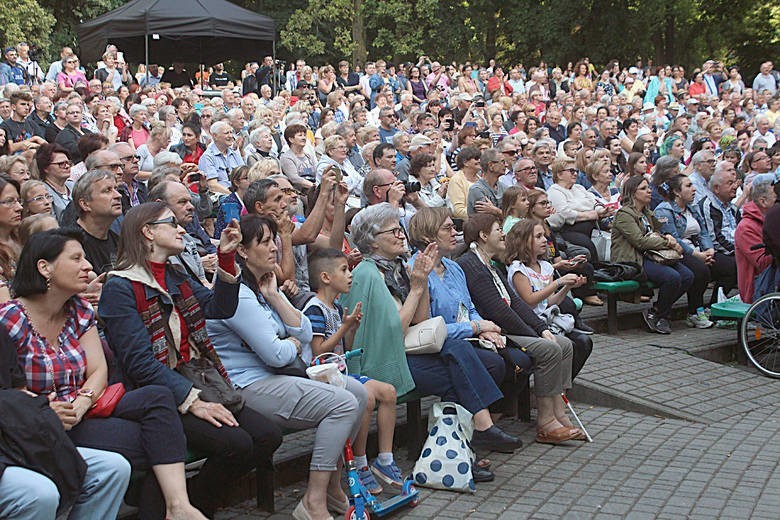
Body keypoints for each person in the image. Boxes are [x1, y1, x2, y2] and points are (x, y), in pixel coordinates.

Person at [1, 229, 208, 520]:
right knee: (156, 448)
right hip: (41, 421)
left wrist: (82, 402)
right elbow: (8, 390)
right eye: (76, 258)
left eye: (86, 257)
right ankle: (174, 509)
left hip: (82, 407)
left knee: (158, 399)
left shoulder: (78, 309)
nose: (88, 266)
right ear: (44, 267)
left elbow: (97, 370)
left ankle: (178, 507)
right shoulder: (10, 319)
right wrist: (45, 410)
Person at [99, 203, 282, 518]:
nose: (183, 228)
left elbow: (218, 308)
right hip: (157, 393)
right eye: (172, 222)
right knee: (236, 443)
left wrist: (225, 257)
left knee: (267, 436)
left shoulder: (173, 273)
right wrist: (190, 399)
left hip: (198, 377)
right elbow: (140, 365)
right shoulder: (120, 287)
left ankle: (193, 504)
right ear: (148, 232)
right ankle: (185, 507)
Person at [204, 215, 366, 520]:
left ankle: (331, 486)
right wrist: (290, 343)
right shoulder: (237, 293)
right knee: (344, 403)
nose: (274, 248)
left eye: (273, 240)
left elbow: (304, 332)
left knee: (356, 392)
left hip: (276, 378)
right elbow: (277, 354)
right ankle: (313, 501)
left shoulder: (264, 286)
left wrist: (277, 298)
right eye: (264, 242)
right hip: (248, 387)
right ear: (242, 251)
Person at [341, 203, 523, 456]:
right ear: (372, 242)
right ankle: (471, 441)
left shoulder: (397, 268)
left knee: (468, 368)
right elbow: (394, 331)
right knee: (459, 369)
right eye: (392, 231)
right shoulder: (367, 274)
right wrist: (418, 287)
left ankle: (457, 452)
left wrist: (421, 282)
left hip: (405, 352)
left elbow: (422, 319)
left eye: (400, 230)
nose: (401, 235)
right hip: (382, 360)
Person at [456, 213, 591, 427]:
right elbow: (500, 311)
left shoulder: (488, 263)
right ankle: (546, 422)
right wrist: (536, 334)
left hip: (507, 327)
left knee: (564, 344)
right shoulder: (473, 265)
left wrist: (541, 328)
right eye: (497, 229)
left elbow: (515, 303)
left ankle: (559, 411)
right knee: (550, 349)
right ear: (483, 235)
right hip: (497, 331)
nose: (503, 234)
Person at [0, 326, 131, 520]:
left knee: (111, 469)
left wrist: (37, 410)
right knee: (39, 494)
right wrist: (31, 412)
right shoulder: (13, 317)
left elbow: (18, 392)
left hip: (14, 441)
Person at [302, 248, 403, 493]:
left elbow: (343, 347)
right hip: (323, 379)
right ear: (326, 277)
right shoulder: (315, 309)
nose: (350, 276)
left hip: (340, 374)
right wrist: (343, 328)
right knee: (366, 398)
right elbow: (318, 352)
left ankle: (385, 460)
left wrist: (351, 330)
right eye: (345, 270)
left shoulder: (336, 308)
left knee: (388, 392)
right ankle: (359, 465)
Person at [611, 176, 692, 334]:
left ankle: (656, 310)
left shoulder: (647, 213)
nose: (649, 191)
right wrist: (668, 242)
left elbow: (659, 230)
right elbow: (640, 242)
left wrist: (668, 236)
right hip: (633, 260)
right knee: (672, 277)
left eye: (648, 187)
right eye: (643, 188)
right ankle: (661, 315)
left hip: (652, 255)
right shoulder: (624, 215)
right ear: (633, 193)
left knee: (687, 275)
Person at [654, 175, 715, 328]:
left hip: (697, 250)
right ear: (677, 192)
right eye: (688, 186)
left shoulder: (692, 208)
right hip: (676, 251)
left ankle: (709, 306)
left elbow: (703, 232)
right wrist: (698, 255)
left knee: (724, 266)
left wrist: (709, 249)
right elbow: (674, 239)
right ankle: (694, 312)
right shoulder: (664, 210)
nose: (693, 189)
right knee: (700, 271)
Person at [547, 157, 613, 262]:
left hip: (593, 227)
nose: (575, 174)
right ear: (559, 174)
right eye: (571, 171)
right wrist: (590, 214)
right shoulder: (554, 191)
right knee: (589, 247)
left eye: (576, 171)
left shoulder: (579, 188)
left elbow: (595, 202)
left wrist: (601, 211)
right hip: (568, 231)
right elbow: (565, 214)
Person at [735, 174, 776, 303]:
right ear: (763, 201)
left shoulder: (772, 218)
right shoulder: (746, 228)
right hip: (760, 287)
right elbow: (762, 263)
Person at [199, 121, 245, 195]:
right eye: (226, 133)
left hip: (240, 192)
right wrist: (234, 197)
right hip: (221, 197)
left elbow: (245, 175)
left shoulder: (235, 152)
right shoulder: (207, 157)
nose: (230, 136)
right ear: (215, 136)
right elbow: (212, 186)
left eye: (231, 132)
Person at [34, 143, 72, 220]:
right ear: (45, 168)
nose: (67, 166)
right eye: (61, 164)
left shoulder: (74, 185)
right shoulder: (42, 191)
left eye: (68, 163)